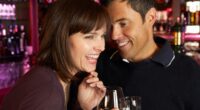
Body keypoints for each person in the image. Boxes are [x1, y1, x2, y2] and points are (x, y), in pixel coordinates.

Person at [1, 0, 111, 110]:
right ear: (61, 37)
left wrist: (83, 107)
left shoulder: (56, 80)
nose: (102, 47)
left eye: (102, 36)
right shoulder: (47, 93)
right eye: (90, 37)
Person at [96, 0, 200, 110]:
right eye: (110, 26)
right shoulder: (101, 64)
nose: (113, 35)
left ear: (150, 17)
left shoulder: (188, 71)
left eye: (123, 24)